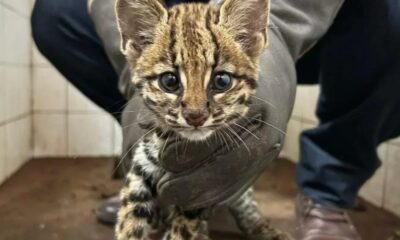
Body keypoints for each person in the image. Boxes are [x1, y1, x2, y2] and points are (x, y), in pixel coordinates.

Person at [31, 0, 400, 239]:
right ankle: (161, 167)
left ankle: (329, 187)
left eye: (216, 86)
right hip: (173, 24)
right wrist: (138, 79)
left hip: (290, 19)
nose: (195, 111)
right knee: (53, 15)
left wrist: (279, 33)